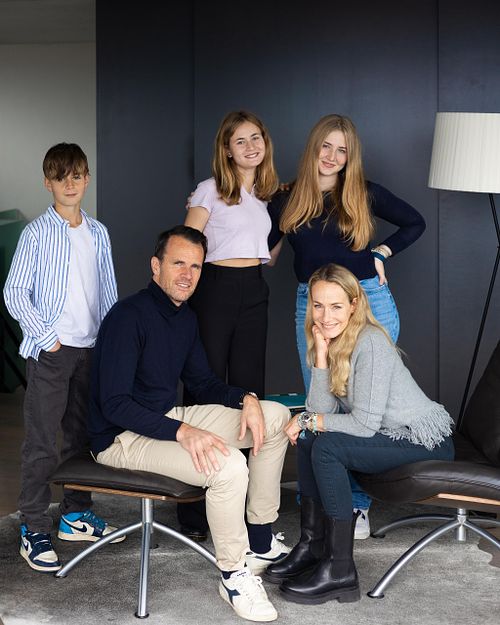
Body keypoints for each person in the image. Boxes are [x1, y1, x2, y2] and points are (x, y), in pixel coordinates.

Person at [88, 225, 291, 622]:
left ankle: (260, 542)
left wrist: (246, 398)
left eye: (195, 266)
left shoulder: (184, 318)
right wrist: (182, 431)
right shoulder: (128, 317)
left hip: (163, 419)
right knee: (228, 465)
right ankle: (233, 575)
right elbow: (114, 405)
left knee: (275, 417)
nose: (187, 274)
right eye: (178, 263)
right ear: (156, 266)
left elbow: (202, 383)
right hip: (120, 437)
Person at [267, 113, 426, 536]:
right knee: (322, 401)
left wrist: (382, 253)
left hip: (367, 301)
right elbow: (261, 250)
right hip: (313, 305)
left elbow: (415, 222)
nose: (333, 157)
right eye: (326, 146)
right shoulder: (286, 199)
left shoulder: (363, 192)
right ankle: (321, 502)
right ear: (313, 147)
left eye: (342, 150)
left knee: (360, 406)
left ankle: (355, 506)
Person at [263, 263, 454, 605]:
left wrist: (307, 420)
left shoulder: (371, 343)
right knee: (311, 438)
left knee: (326, 446)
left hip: (422, 440)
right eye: (318, 305)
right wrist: (321, 357)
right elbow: (322, 408)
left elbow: (363, 425)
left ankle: (339, 570)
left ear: (354, 305)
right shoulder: (330, 339)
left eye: (336, 306)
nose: (325, 316)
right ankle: (312, 546)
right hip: (388, 434)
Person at [3, 142, 120, 573]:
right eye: (60, 177)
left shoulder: (99, 233)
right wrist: (47, 338)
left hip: (91, 350)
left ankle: (75, 515)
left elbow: (108, 292)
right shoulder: (36, 233)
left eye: (76, 176)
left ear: (86, 179)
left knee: (81, 438)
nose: (69, 184)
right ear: (47, 182)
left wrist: (109, 342)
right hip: (52, 354)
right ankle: (33, 526)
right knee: (41, 442)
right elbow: (14, 291)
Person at [181, 110, 279, 539]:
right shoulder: (209, 190)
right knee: (204, 388)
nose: (250, 146)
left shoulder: (264, 196)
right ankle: (192, 508)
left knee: (249, 390)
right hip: (215, 288)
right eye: (241, 140)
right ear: (226, 149)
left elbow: (263, 254)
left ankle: (240, 504)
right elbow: (187, 246)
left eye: (256, 138)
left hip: (254, 289)